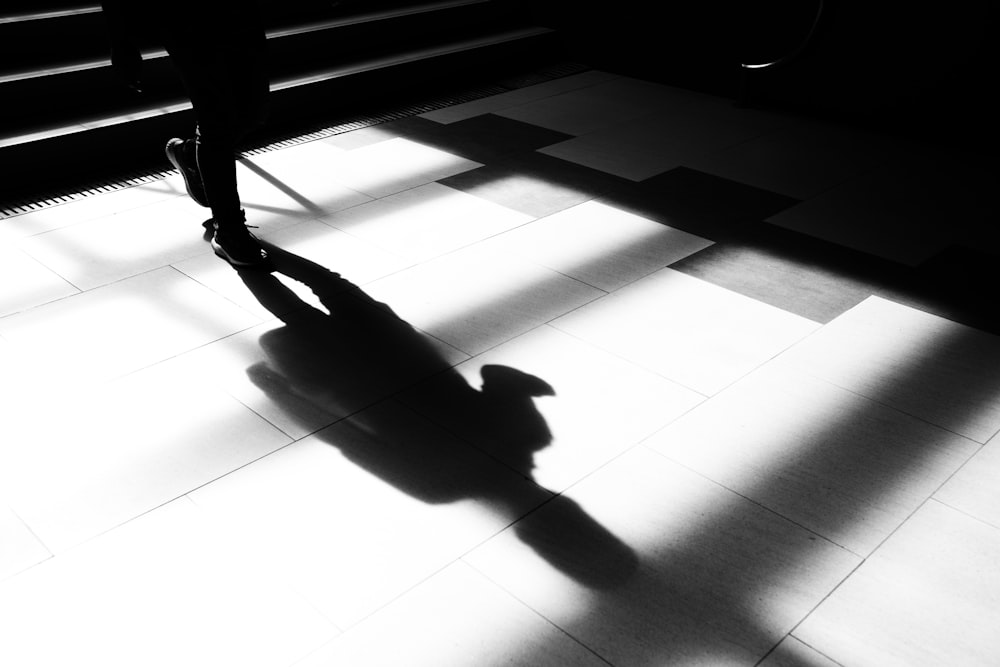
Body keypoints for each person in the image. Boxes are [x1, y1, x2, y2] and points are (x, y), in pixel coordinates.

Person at [101, 1, 271, 267]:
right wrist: (121, 40)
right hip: (184, 15)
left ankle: (192, 155)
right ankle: (229, 229)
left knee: (253, 113)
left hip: (238, 10)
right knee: (217, 122)